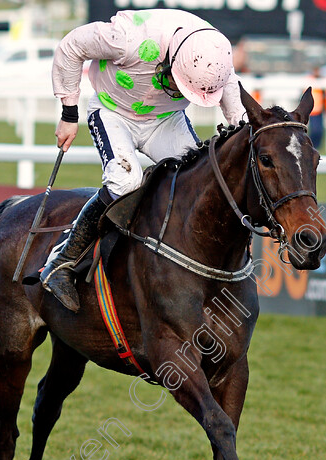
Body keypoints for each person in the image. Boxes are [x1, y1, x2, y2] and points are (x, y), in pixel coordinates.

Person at [41, 8, 245, 312]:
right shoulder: (127, 38)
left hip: (165, 120)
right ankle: (62, 261)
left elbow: (233, 99)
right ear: (172, 60)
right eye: (177, 82)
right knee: (126, 182)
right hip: (113, 112)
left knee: (201, 183)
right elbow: (71, 46)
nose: (177, 90)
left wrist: (242, 130)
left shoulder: (215, 54)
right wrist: (69, 113)